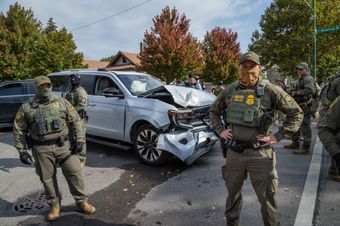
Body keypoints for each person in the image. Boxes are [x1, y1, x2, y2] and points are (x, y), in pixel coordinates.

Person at [209, 52, 303, 226]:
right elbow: (214, 111)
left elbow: (296, 113)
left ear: (259, 68)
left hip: (260, 154)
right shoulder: (230, 90)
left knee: (267, 199)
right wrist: (220, 130)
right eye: (244, 66)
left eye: (252, 66)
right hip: (234, 153)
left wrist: (278, 136)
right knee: (233, 195)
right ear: (238, 67)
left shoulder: (270, 90)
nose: (248, 70)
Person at [13, 76, 95, 221]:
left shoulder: (62, 102)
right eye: (41, 86)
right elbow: (19, 129)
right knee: (48, 179)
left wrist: (80, 141)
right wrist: (21, 150)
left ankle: (81, 202)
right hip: (42, 149)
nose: (45, 88)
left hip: (64, 146)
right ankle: (55, 206)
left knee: (75, 172)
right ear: (36, 88)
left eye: (48, 85)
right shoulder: (27, 107)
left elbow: (75, 120)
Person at [285, 62, 316, 154]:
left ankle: (306, 148)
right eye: (298, 69)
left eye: (301, 69)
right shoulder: (300, 79)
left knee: (304, 126)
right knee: (296, 124)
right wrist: (291, 91)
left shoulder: (308, 79)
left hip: (305, 106)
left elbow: (310, 90)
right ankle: (295, 143)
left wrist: (297, 93)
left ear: (307, 70)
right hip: (299, 106)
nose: (299, 71)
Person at [318, 72, 340, 181]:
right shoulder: (336, 79)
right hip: (331, 109)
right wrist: (337, 154)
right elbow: (324, 130)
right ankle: (334, 169)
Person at [65, 74, 88, 168]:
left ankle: (81, 159)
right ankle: (74, 157)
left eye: (74, 79)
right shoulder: (71, 91)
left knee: (80, 138)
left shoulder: (81, 91)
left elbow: (82, 105)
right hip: (70, 119)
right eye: (71, 79)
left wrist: (70, 111)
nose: (72, 81)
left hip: (79, 119)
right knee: (71, 137)